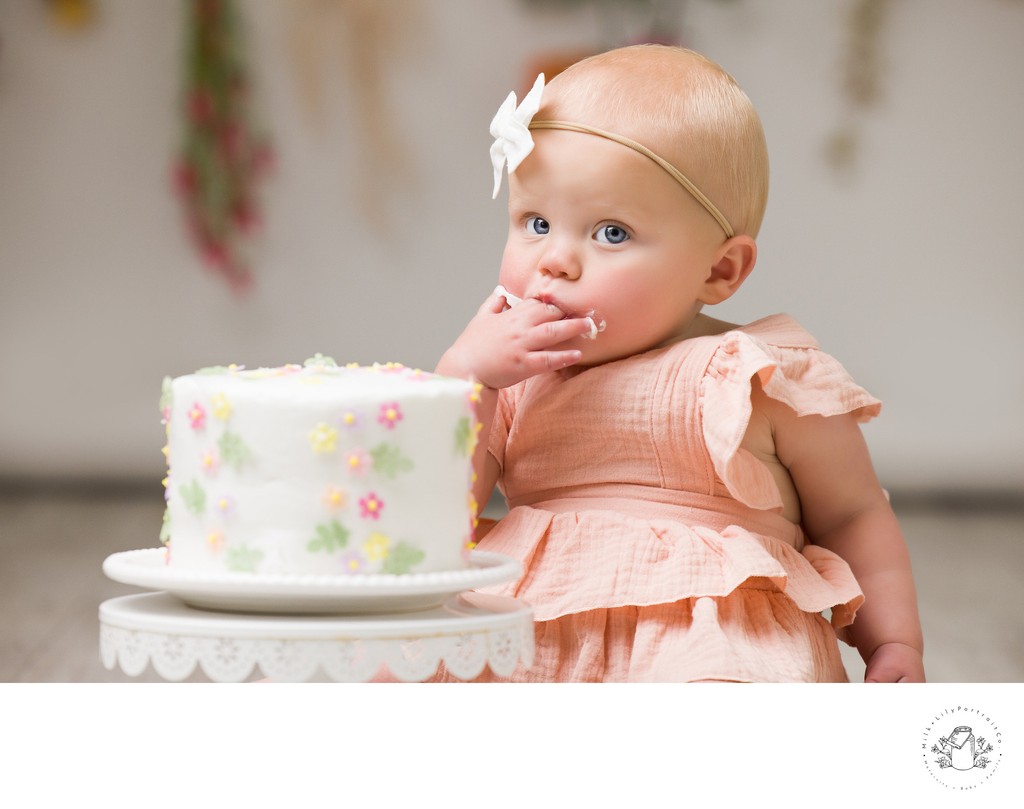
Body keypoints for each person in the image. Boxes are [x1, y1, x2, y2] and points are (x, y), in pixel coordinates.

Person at [435, 44, 925, 682]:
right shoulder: (517, 379)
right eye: (535, 222)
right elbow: (438, 519)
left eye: (611, 232)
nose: (554, 260)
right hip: (528, 626)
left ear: (720, 270)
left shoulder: (755, 375)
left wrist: (894, 643)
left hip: (709, 636)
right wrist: (467, 378)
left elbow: (853, 513)